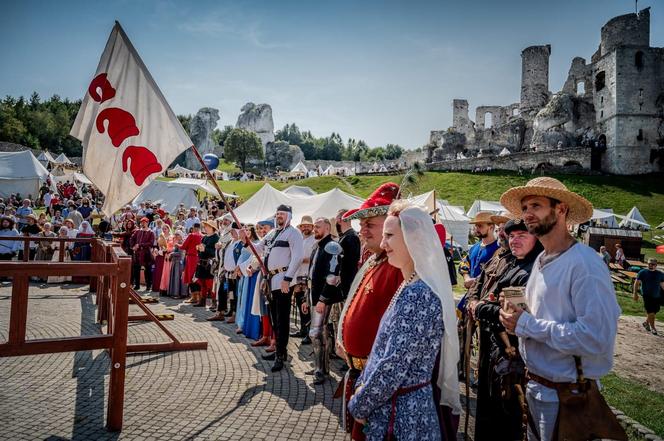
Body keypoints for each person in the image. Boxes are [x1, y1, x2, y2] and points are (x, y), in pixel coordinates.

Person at [498, 177, 622, 441]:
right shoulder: (543, 259)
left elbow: (595, 337)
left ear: (561, 209)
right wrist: (516, 313)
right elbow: (548, 316)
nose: (527, 214)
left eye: (536, 205)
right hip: (539, 389)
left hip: (568, 397)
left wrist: (526, 325)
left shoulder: (585, 265)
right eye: (524, 208)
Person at [348, 201, 460, 440]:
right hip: (396, 408)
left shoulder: (419, 293)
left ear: (413, 239)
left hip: (403, 416)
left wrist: (360, 403)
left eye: (389, 235)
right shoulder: (411, 284)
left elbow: (394, 365)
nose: (382, 243)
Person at [335, 182, 404, 440]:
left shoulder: (400, 267)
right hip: (359, 373)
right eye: (361, 225)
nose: (362, 231)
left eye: (369, 224)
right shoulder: (375, 261)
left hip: (378, 384)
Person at [467, 219, 543, 441]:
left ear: (536, 238)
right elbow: (481, 286)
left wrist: (481, 307)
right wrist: (478, 302)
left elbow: (511, 316)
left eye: (522, 235)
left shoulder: (533, 270)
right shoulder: (510, 262)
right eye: (511, 236)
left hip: (513, 359)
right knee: (490, 414)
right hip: (493, 351)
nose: (514, 240)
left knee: (507, 421)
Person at [249, 204, 304, 372]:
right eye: (278, 213)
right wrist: (246, 240)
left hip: (282, 280)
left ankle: (281, 354)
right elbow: (258, 249)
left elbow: (297, 257)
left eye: (282, 214)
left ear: (289, 216)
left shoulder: (294, 233)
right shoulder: (272, 233)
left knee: (282, 319)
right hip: (271, 280)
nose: (279, 216)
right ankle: (280, 350)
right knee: (274, 318)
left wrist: (288, 279)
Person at [303, 217, 344, 385]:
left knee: (316, 333)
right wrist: (308, 298)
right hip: (315, 296)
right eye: (314, 227)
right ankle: (321, 367)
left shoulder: (332, 246)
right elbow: (312, 275)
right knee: (321, 333)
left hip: (324, 298)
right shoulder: (317, 246)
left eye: (318, 227)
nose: (314, 230)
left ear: (327, 227)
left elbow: (332, 277)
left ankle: (321, 370)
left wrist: (323, 299)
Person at [291, 215, 316, 344]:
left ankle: (309, 332)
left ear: (312, 227)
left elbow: (316, 257)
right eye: (303, 225)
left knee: (308, 304)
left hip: (308, 275)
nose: (305, 227)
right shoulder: (299, 239)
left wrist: (305, 260)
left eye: (308, 225)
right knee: (300, 303)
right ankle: (303, 329)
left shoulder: (314, 240)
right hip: (298, 275)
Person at [459, 211, 500, 290]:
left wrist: (477, 281)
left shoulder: (499, 249)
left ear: (491, 227)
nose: (476, 229)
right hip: (470, 293)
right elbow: (464, 264)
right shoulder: (474, 247)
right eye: (476, 226)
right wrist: (467, 278)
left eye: (480, 226)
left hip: (487, 294)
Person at [633, 258, 664, 335]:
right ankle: (653, 328)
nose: (650, 265)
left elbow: (662, 284)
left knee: (655, 310)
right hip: (646, 295)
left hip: (657, 295)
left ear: (656, 265)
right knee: (651, 312)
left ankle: (646, 323)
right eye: (649, 264)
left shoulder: (660, 274)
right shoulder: (643, 272)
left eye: (652, 264)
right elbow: (636, 283)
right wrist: (635, 293)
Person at [193, 220, 220, 307]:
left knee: (211, 284)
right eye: (205, 226)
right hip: (202, 263)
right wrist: (199, 249)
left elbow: (215, 252)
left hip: (210, 264)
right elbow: (201, 250)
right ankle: (202, 301)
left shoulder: (216, 237)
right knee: (202, 283)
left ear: (212, 228)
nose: (205, 227)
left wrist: (205, 249)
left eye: (207, 226)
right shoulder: (204, 237)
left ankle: (214, 303)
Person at [130, 217, 155, 291]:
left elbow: (151, 243)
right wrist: (133, 246)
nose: (143, 223)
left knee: (148, 270)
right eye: (142, 222)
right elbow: (132, 239)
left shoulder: (151, 232)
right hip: (137, 253)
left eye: (144, 222)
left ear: (147, 223)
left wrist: (140, 245)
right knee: (136, 269)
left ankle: (148, 285)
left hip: (146, 253)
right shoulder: (138, 231)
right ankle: (137, 285)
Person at [181, 223, 203, 302]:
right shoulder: (202, 236)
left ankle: (194, 297)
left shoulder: (191, 235)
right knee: (197, 277)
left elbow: (183, 246)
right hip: (199, 258)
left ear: (193, 228)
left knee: (191, 277)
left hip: (191, 258)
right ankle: (199, 297)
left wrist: (177, 244)